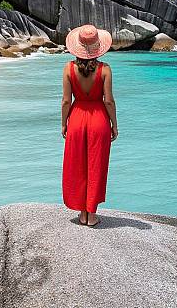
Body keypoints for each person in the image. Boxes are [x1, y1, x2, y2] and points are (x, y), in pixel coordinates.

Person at [61, 24, 118, 227]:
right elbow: (109, 100)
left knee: (77, 165)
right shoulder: (105, 70)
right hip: (99, 120)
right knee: (96, 165)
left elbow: (66, 101)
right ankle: (92, 215)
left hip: (76, 119)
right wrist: (114, 125)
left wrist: (63, 124)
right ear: (98, 46)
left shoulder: (68, 68)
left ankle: (82, 213)